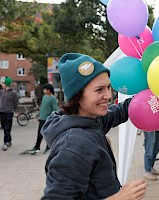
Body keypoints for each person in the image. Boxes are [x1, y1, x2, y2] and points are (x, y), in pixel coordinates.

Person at [41, 53, 146, 199]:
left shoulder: (90, 120)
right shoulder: (73, 146)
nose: (108, 95)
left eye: (109, 87)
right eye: (99, 89)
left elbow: (119, 112)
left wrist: (149, 95)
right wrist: (119, 197)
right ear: (77, 96)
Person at [29, 83, 58, 154]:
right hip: (42, 118)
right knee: (40, 133)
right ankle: (37, 147)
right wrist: (39, 115)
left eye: (44, 89)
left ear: (49, 90)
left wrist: (53, 119)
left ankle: (48, 148)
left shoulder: (53, 98)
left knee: (48, 134)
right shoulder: (44, 97)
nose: (43, 90)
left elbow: (55, 110)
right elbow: (42, 107)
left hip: (49, 119)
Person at [0, 76, 18, 151]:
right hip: (1, 111)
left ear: (6, 84)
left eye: (2, 83)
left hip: (9, 112)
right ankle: (9, 140)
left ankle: (5, 142)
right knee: (4, 127)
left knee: (7, 127)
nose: (1, 84)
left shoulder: (14, 93)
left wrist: (13, 109)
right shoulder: (1, 91)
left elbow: (15, 102)